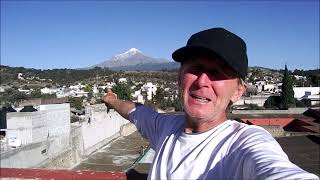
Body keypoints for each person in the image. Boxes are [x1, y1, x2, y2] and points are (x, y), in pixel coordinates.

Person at [103, 28, 319, 180]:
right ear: (179, 78)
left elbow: (276, 170)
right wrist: (112, 100)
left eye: (217, 73)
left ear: (238, 92)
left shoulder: (245, 143)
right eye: (195, 68)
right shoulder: (164, 128)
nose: (202, 81)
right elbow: (134, 111)